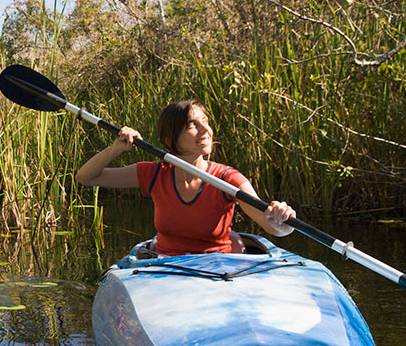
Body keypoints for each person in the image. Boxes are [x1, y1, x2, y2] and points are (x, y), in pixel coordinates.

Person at [75, 98, 296, 256]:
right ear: (172, 137)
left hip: (219, 269)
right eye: (193, 125)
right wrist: (116, 149)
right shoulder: (153, 173)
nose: (206, 130)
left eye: (205, 121)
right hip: (167, 267)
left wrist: (282, 218)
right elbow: (86, 177)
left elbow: (273, 227)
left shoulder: (227, 178)